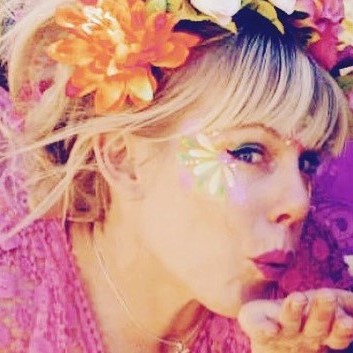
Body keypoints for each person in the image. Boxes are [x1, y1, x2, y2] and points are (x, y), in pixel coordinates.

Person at [1, 0, 353, 352]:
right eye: (248, 152)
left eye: (307, 162)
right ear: (123, 159)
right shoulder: (14, 289)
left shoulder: (306, 297)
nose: (300, 202)